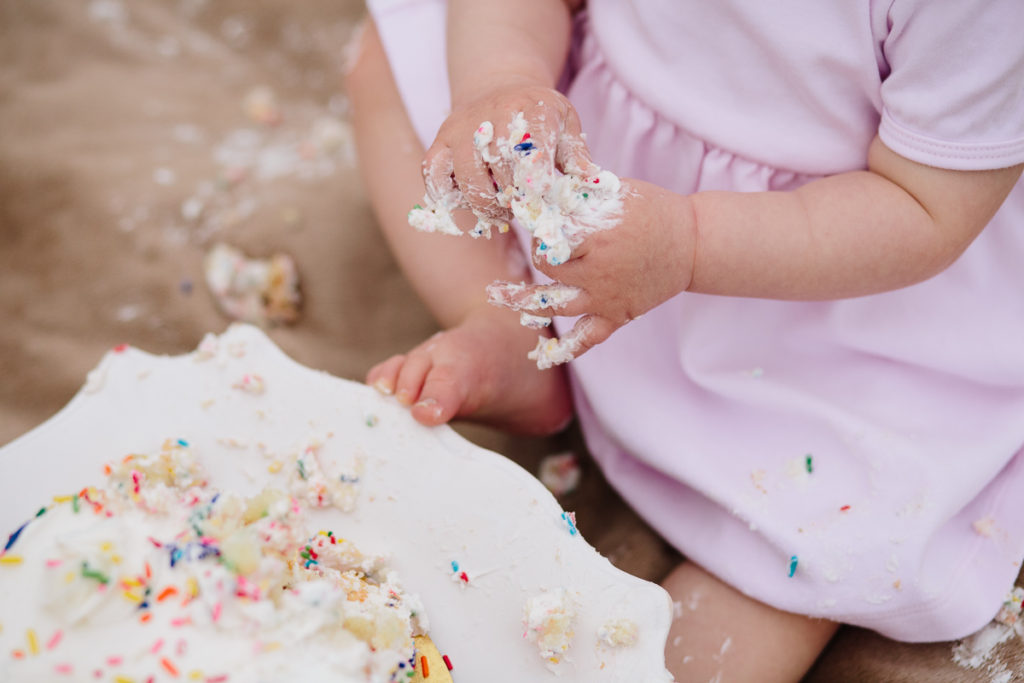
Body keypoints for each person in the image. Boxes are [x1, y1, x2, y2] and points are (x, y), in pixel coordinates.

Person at [345, 0, 1024, 679]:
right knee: (392, 59)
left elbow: (925, 206)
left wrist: (691, 242)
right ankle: (505, 319)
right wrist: (502, 82)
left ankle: (686, 635)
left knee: (832, 537)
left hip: (819, 296)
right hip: (585, 163)